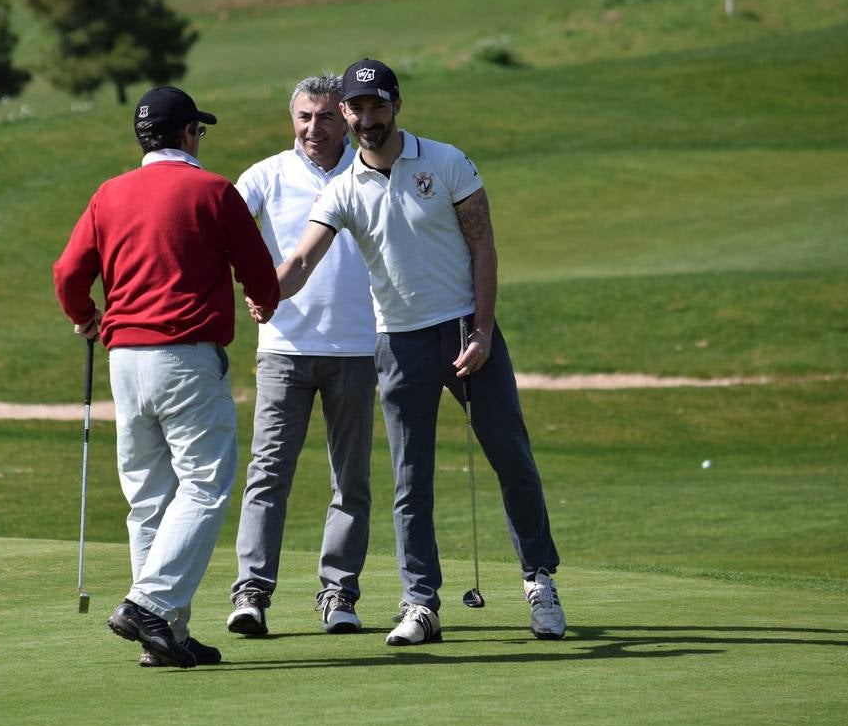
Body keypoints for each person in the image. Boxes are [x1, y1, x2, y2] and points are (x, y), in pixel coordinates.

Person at [255, 58, 566, 646]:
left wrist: (481, 330)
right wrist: (268, 292)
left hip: (464, 332)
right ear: (345, 113)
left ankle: (539, 581)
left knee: (512, 460)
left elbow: (484, 248)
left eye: (377, 106)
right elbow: (300, 260)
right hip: (397, 344)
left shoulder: (446, 162)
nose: (366, 119)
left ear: (397, 104)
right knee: (410, 481)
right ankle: (421, 602)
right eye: (357, 108)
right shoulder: (345, 190)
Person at [53, 85, 280, 668]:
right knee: (205, 485)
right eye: (198, 132)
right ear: (187, 135)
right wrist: (264, 300)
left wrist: (85, 318)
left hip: (124, 359)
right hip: (185, 355)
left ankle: (166, 636)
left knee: (149, 497)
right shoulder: (213, 190)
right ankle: (150, 604)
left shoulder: (109, 194)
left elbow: (68, 273)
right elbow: (260, 275)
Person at [226, 74, 378, 638]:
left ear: (345, 117)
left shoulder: (370, 171)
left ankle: (338, 592)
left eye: (325, 117)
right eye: (304, 117)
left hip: (359, 348)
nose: (315, 129)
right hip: (284, 349)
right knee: (268, 474)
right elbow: (226, 236)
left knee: (351, 480)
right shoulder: (265, 176)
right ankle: (252, 593)